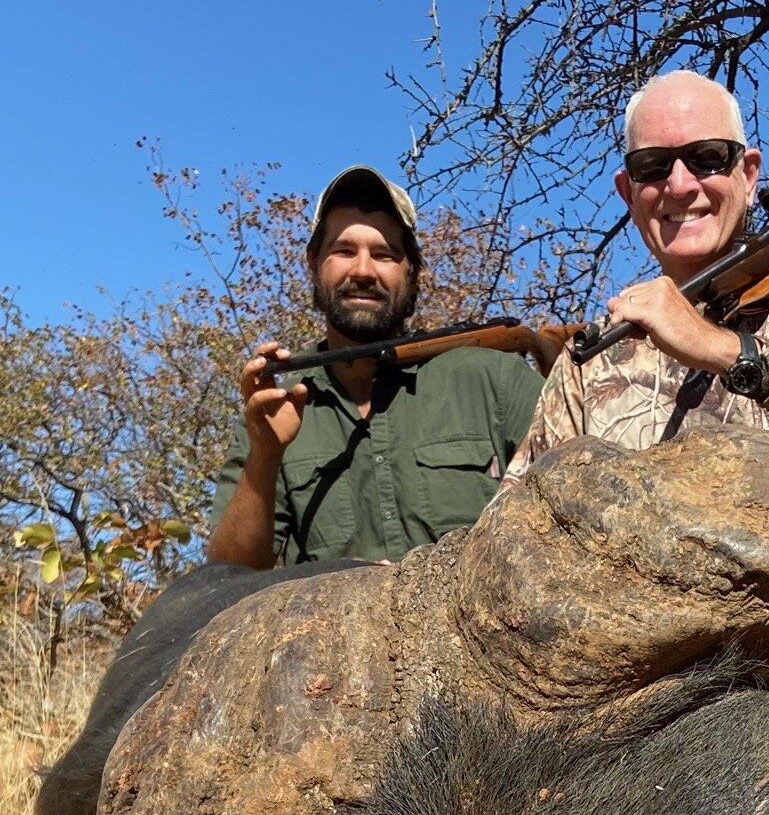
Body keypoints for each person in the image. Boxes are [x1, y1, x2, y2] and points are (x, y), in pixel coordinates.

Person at [507, 71, 769, 477]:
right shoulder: (590, 360)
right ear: (628, 193)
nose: (680, 185)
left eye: (708, 158)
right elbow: (520, 512)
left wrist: (722, 349)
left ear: (749, 175)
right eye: (652, 166)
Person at [207, 166, 542, 567]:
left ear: (412, 273)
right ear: (313, 264)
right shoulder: (273, 413)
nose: (363, 271)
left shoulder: (496, 381)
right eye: (344, 251)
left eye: (384, 255)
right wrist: (264, 456)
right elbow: (227, 578)